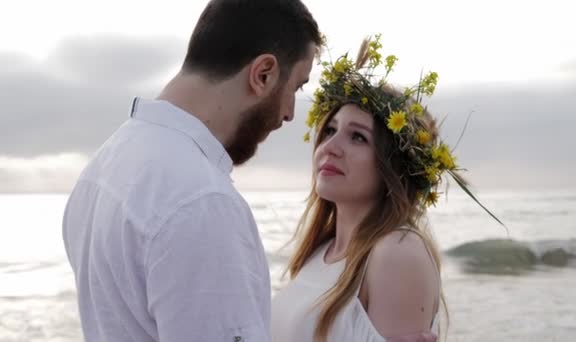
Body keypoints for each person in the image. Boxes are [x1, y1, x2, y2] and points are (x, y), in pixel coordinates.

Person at [62, 1, 322, 341]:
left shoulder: (102, 168)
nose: (289, 113)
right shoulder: (201, 202)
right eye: (296, 88)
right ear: (263, 74)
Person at [271, 35, 499, 342]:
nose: (331, 147)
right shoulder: (320, 252)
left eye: (358, 137)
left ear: (392, 165)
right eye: (330, 130)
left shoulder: (396, 252)